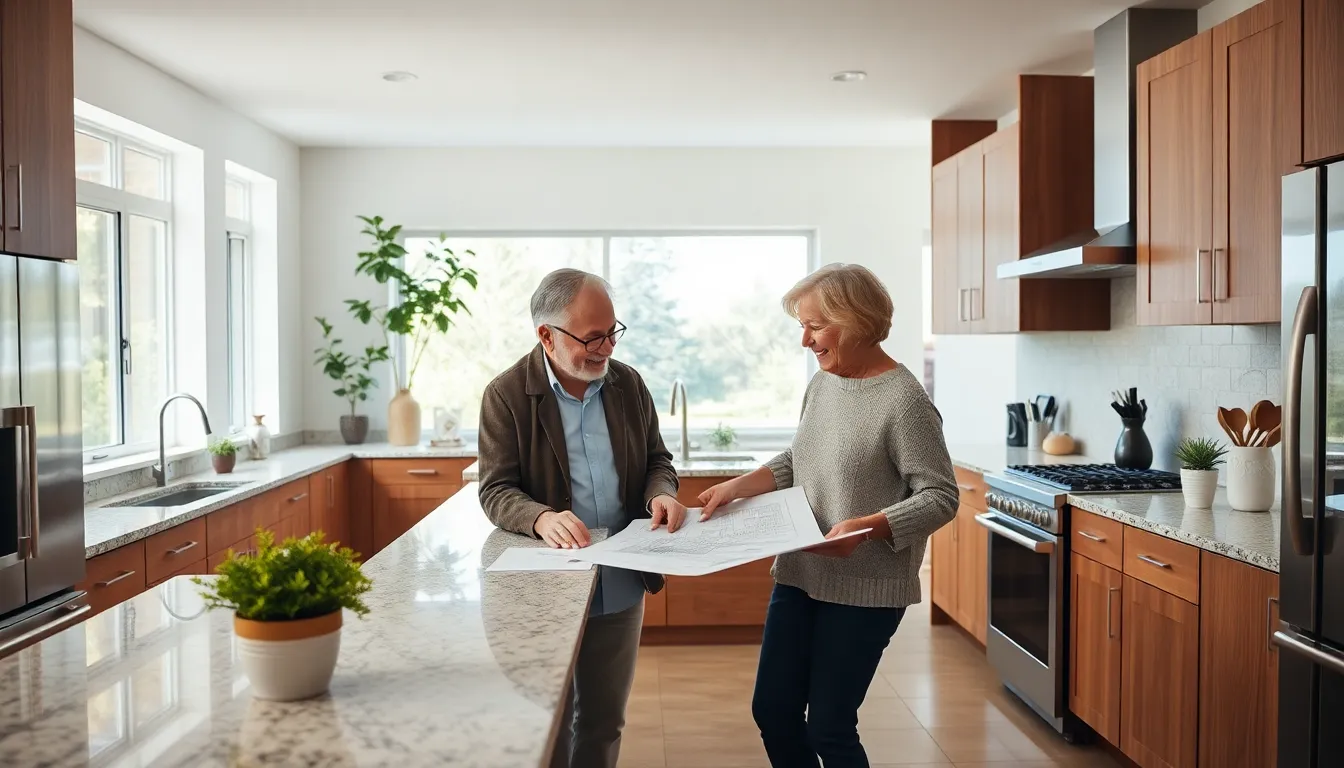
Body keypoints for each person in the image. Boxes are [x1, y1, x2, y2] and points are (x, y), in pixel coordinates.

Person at [698, 263, 959, 768]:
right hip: (800, 573)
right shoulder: (823, 384)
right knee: (772, 710)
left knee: (829, 727)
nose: (805, 340)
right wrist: (735, 488)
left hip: (865, 587)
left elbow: (941, 496)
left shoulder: (904, 401)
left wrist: (867, 528)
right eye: (802, 325)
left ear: (857, 321)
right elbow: (799, 459)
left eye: (815, 326)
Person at [477, 268, 688, 768]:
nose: (607, 347)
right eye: (592, 337)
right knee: (548, 724)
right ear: (546, 336)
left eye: (613, 331)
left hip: (620, 581)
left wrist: (662, 492)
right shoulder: (506, 395)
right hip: (546, 586)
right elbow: (495, 490)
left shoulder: (628, 385)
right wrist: (540, 518)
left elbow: (659, 460)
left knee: (603, 721)